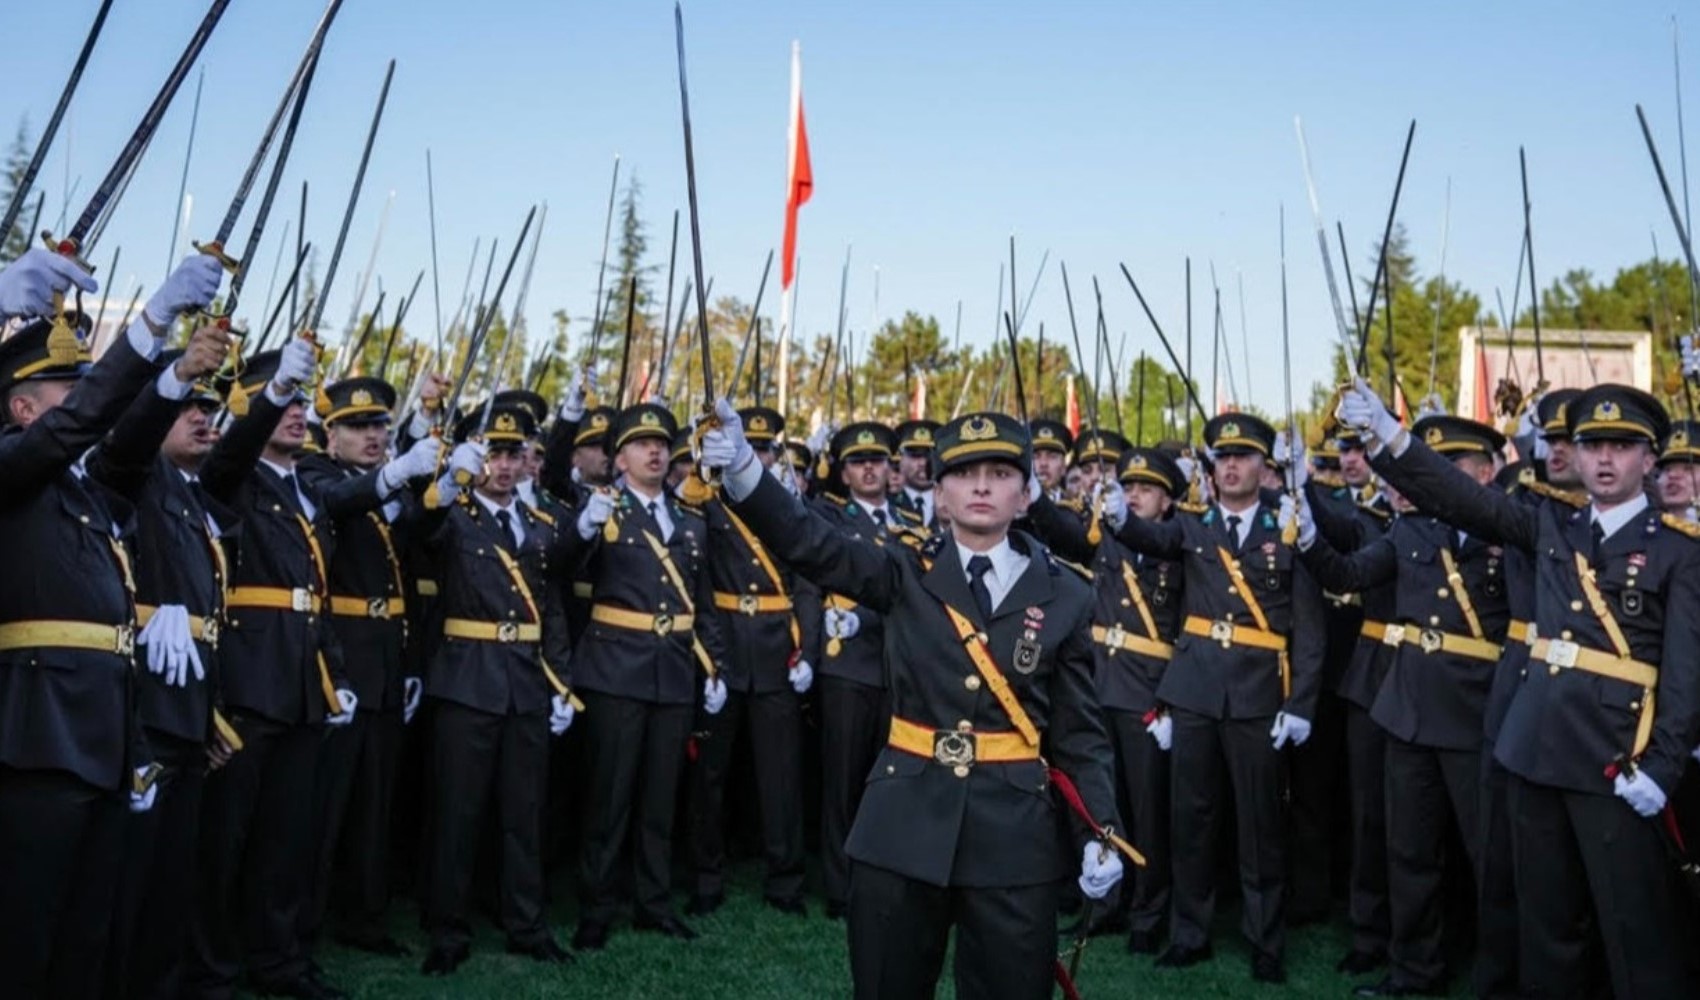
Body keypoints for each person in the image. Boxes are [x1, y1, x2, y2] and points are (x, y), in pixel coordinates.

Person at [702, 403, 1127, 1000]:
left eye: (1001, 472)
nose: (981, 484)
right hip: (901, 828)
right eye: (963, 472)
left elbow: (1081, 736)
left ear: (1026, 495)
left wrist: (1098, 832)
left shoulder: (1067, 595)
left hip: (1014, 840)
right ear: (940, 494)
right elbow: (810, 542)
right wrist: (746, 468)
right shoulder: (903, 569)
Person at [1341, 378, 1700, 999]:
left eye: (1621, 446)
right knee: (1546, 926)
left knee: (1634, 930)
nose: (1604, 459)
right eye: (1592, 445)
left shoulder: (1678, 551)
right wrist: (1389, 436)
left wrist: (1663, 765)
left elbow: (1688, 670)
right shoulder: (1550, 525)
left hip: (1618, 760)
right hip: (1535, 752)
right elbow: (1460, 497)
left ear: (1650, 459)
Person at [0, 249, 222, 998]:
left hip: (101, 737)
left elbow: (121, 446)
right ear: (21, 409)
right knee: (28, 937)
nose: (84, 402)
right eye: (69, 388)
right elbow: (87, 425)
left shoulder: (89, 495)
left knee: (85, 937)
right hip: (38, 737)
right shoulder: (13, 468)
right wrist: (151, 321)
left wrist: (174, 375)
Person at [1100, 412, 1326, 984]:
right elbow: (1150, 536)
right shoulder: (1194, 526)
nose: (1230, 466)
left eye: (1243, 456)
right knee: (1190, 822)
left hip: (1256, 695)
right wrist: (1121, 516)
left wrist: (1300, 704)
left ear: (1262, 467)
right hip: (1195, 691)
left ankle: (1265, 941)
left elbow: (1309, 628)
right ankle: (1189, 933)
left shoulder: (1289, 527)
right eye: (1222, 458)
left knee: (1259, 827)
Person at [1293, 415, 1514, 996]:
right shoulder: (1411, 531)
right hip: (1408, 708)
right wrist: (1310, 536)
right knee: (1408, 850)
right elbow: (1349, 572)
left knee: (1489, 857)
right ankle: (1415, 967)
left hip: (1477, 711)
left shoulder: (1507, 534)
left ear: (1486, 474)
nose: (1435, 482)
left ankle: (1499, 974)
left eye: (1453, 470)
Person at [187, 337, 359, 1000]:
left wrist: (334, 671)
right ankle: (214, 970)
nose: (293, 414)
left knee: (287, 841)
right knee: (227, 843)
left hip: (302, 683)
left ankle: (279, 960)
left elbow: (316, 594)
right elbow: (229, 452)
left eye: (295, 402)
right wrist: (274, 391)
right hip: (248, 682)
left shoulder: (309, 487)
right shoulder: (229, 474)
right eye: (273, 402)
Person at [98, 335, 242, 1000]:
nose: (201, 414)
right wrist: (171, 375)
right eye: (187, 403)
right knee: (134, 873)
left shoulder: (188, 493)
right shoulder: (135, 473)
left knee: (172, 873)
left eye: (209, 404)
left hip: (187, 702)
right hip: (141, 704)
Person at [563, 403, 729, 952]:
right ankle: (597, 906)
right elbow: (561, 567)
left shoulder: (688, 518)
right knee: (609, 798)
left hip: (674, 671)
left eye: (661, 443)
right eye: (641, 444)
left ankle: (653, 903)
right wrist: (583, 527)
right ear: (619, 458)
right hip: (615, 668)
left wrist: (715, 664)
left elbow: (702, 602)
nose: (655, 451)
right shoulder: (602, 510)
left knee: (661, 797)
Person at [418, 403, 576, 975]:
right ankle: (448, 930)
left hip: (526, 684)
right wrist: (444, 479)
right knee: (458, 814)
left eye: (513, 454)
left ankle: (526, 925)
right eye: (493, 454)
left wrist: (561, 681)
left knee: (523, 813)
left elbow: (552, 609)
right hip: (467, 679)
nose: (505, 466)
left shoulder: (538, 528)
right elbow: (415, 529)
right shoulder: (453, 516)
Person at [296, 377, 438, 959]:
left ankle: (363, 914)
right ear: (329, 437)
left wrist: (442, 487)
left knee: (373, 803)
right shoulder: (317, 475)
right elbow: (345, 503)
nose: (374, 435)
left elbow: (408, 539)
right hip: (341, 657)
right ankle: (303, 921)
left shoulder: (379, 487)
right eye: (358, 427)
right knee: (325, 804)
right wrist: (399, 473)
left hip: (382, 654)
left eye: (380, 425)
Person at [1024, 446, 1187, 954]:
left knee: (1147, 812)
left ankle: (1148, 913)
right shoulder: (1107, 536)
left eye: (1146, 489)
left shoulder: (1180, 548)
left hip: (1148, 693)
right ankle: (1105, 904)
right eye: (1129, 487)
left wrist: (1173, 701)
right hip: (1101, 685)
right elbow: (1066, 536)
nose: (1134, 496)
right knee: (1099, 807)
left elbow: (1189, 630)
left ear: (1167, 501)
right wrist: (1034, 495)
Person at [687, 406, 819, 916]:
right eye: (752, 448)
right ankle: (705, 876)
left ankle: (785, 880)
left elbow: (806, 582)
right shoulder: (707, 501)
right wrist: (708, 655)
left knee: (781, 775)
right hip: (723, 645)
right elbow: (695, 580)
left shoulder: (783, 507)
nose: (759, 457)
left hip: (775, 651)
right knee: (710, 774)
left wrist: (807, 650)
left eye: (766, 450)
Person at [810, 421, 909, 920]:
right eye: (857, 461)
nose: (869, 468)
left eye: (877, 460)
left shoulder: (911, 518)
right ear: (843, 472)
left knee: (890, 783)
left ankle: (883, 878)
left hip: (897, 665)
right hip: (847, 663)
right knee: (843, 782)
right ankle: (840, 885)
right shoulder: (830, 516)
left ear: (891, 468)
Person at [891, 418, 940, 528]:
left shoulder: (952, 503)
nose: (922, 463)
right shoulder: (886, 502)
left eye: (929, 456)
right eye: (915, 456)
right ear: (900, 459)